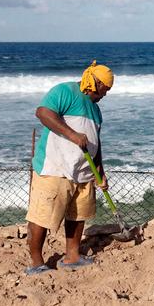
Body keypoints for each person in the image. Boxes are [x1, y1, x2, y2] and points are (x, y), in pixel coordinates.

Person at [24, 60, 114, 275]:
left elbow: (96, 142)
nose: (105, 94)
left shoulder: (96, 110)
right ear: (94, 83)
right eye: (104, 89)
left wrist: (99, 171)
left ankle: (71, 256)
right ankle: (37, 263)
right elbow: (43, 113)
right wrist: (73, 135)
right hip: (55, 168)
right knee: (42, 217)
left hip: (83, 172)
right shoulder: (64, 91)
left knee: (78, 215)